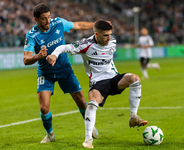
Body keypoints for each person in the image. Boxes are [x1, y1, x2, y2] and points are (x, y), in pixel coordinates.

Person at [46, 20, 148, 148]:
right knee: (93, 102)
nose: (109, 38)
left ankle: (133, 116)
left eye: (110, 34)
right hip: (98, 83)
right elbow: (64, 47)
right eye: (105, 35)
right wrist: (54, 55)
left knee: (135, 78)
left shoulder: (112, 42)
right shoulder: (85, 45)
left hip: (114, 78)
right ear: (96, 34)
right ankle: (88, 139)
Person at [23, 3, 98, 143]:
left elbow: (79, 26)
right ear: (36, 20)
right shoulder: (32, 35)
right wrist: (38, 56)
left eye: (49, 17)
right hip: (46, 73)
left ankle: (90, 126)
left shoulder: (58, 23)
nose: (47, 21)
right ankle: (50, 134)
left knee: (81, 100)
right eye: (44, 19)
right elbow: (26, 59)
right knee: (44, 108)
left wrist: (97, 26)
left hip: (64, 69)